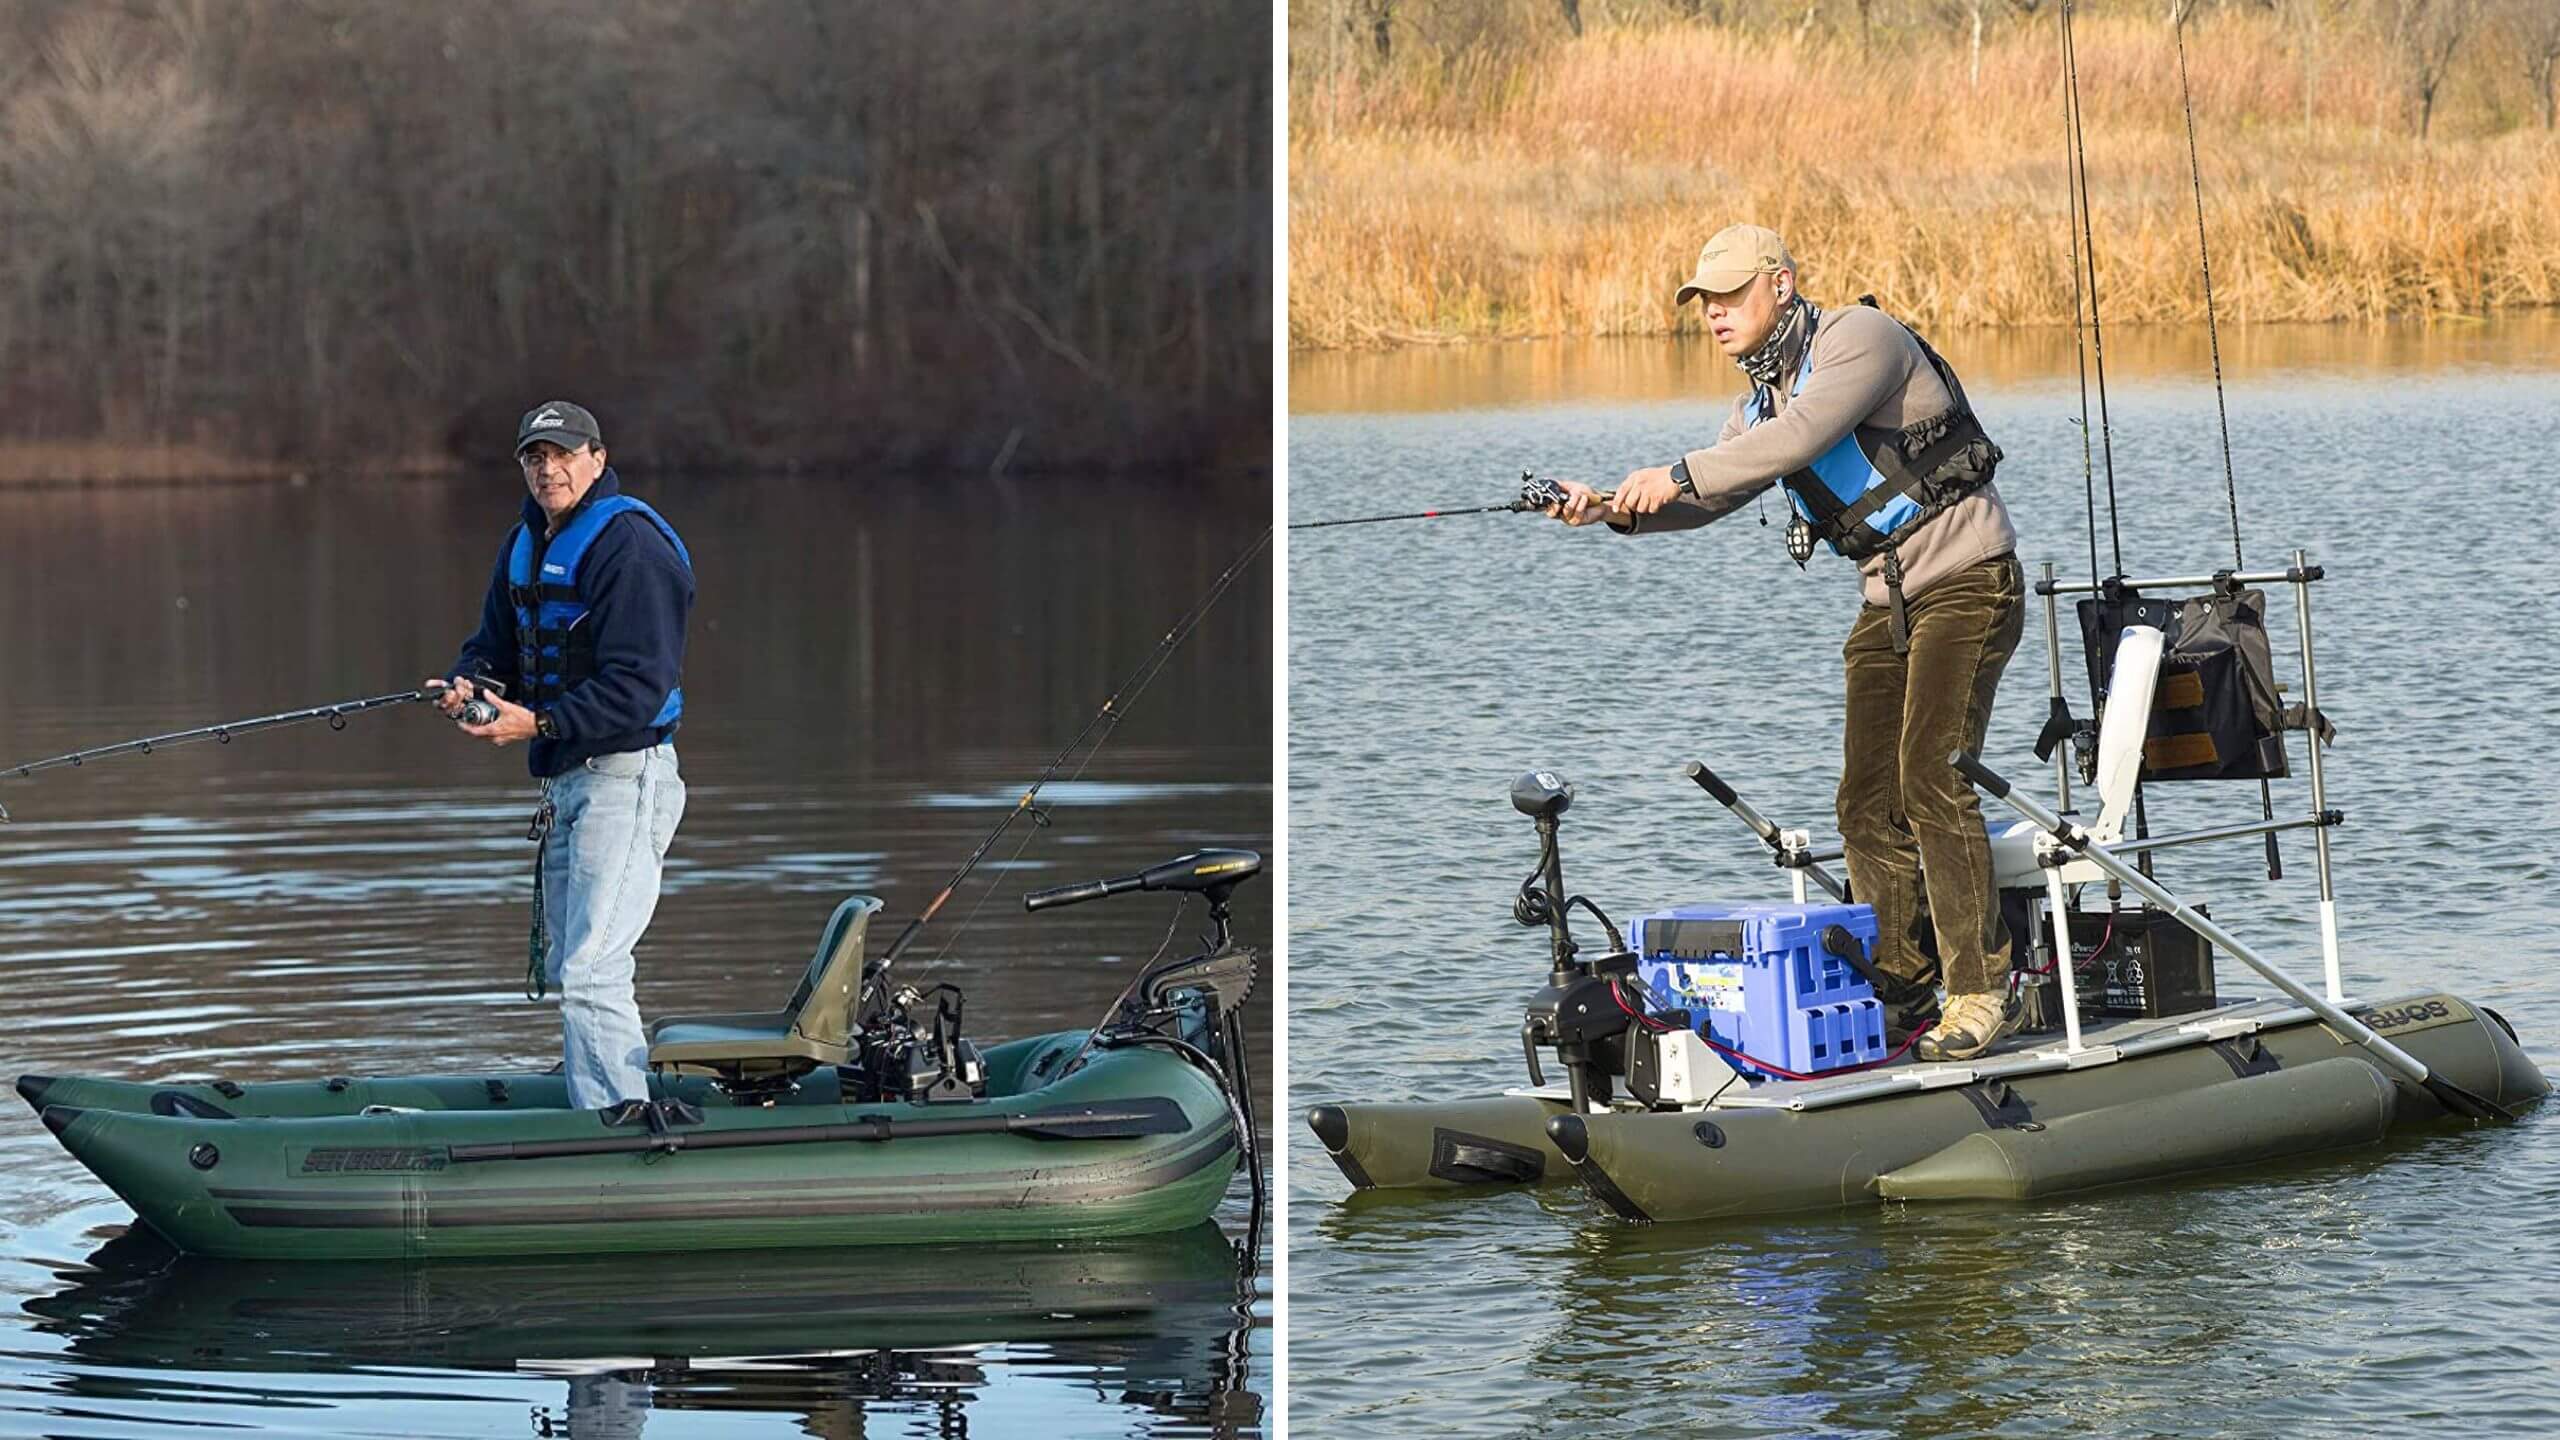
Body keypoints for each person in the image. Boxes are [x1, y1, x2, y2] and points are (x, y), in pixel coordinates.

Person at [1545, 224, 2026, 1062]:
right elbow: (1715, 493)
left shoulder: (1859, 341)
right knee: (1864, 802)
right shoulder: (1756, 407)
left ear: (1782, 283)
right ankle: (1902, 992)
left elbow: (1799, 440)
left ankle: (1982, 992)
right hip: (1889, 600)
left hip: (1969, 579)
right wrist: (1612, 510)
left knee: (1931, 776)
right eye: (1705, 304)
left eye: (1731, 297)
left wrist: (1681, 471)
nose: (1717, 316)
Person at [427, 400, 696, 1107]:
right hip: (566, 783)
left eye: (564, 454)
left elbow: (641, 688)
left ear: (597, 459)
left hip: (626, 778)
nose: (549, 469)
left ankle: (623, 1123)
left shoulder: (632, 547)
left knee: (591, 969)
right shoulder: (525, 542)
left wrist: (537, 724)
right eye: (535, 457)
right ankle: (597, 1106)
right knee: (568, 964)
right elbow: (495, 645)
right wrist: (472, 688)